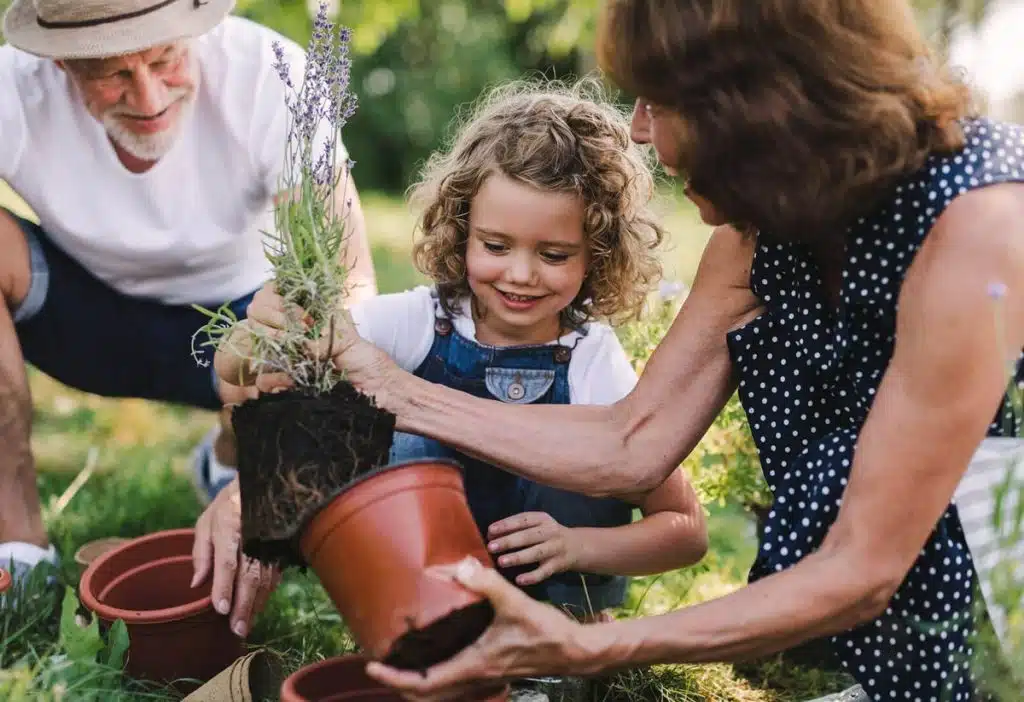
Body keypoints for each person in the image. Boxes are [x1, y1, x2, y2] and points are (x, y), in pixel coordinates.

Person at [223, 0, 1024, 700]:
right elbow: (633, 440)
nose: (637, 130)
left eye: (659, 100)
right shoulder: (760, 235)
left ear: (760, 105)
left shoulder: (979, 235)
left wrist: (587, 645)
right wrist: (289, 448)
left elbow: (861, 570)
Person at [207, 81, 709, 638]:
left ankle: (567, 633)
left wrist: (580, 546)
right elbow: (242, 370)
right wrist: (257, 333)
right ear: (461, 230)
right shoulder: (418, 322)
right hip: (424, 594)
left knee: (586, 452)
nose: (520, 274)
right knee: (396, 439)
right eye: (496, 246)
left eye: (553, 254)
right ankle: (414, 623)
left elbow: (685, 529)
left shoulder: (591, 360)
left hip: (551, 611)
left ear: (598, 253)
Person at [0, 0, 377, 616]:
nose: (147, 98)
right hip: (82, 322)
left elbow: (349, 282)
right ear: (58, 61)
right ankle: (18, 548)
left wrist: (271, 461)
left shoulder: (270, 72)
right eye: (112, 73)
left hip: (236, 328)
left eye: (165, 58)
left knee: (298, 318)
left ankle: (230, 459)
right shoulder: (12, 89)